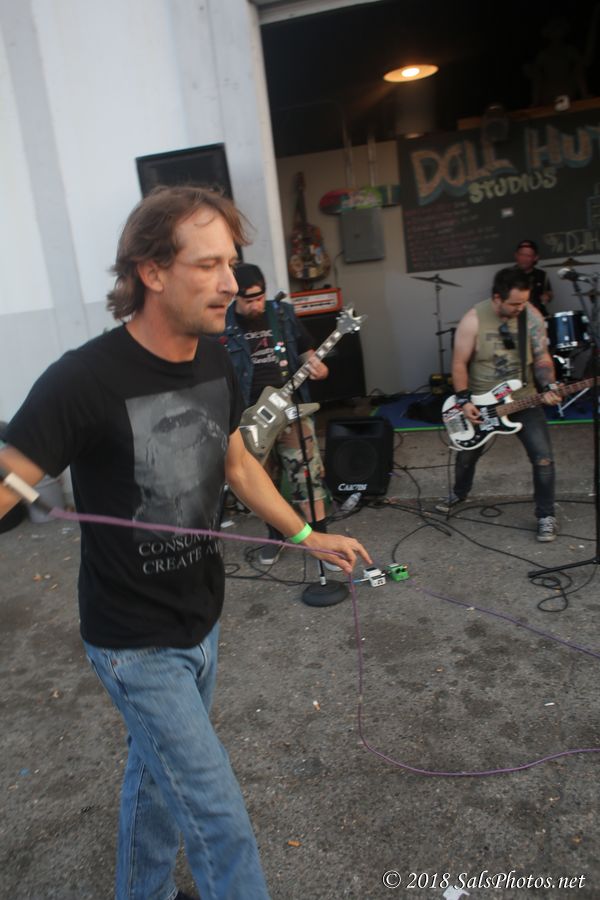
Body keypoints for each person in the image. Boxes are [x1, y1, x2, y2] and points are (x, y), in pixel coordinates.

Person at [0, 185, 370, 900]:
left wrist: (306, 535)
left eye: (230, 262)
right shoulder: (84, 378)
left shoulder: (214, 360)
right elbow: (10, 480)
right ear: (152, 271)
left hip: (202, 620)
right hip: (133, 643)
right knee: (218, 818)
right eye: (208, 265)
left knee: (156, 777)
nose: (231, 282)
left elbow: (237, 463)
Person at [221, 262, 336, 567]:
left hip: (291, 409)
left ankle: (322, 539)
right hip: (249, 417)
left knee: (307, 475)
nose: (257, 304)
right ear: (235, 296)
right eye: (249, 300)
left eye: (260, 297)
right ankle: (275, 535)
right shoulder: (223, 323)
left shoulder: (282, 314)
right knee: (262, 480)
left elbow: (306, 349)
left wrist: (318, 366)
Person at [436, 267, 561, 542]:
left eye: (524, 302)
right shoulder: (473, 320)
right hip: (481, 403)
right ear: (497, 298)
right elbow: (459, 363)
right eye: (514, 303)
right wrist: (464, 400)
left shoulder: (531, 316)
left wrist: (550, 385)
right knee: (466, 456)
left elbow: (542, 357)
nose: (520, 308)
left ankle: (546, 515)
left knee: (543, 458)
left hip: (524, 399)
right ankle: (458, 493)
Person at [513, 239, 553, 317]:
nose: (524, 259)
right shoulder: (507, 275)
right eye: (521, 255)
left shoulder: (542, 274)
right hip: (515, 317)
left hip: (539, 315)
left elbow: (549, 293)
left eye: (528, 256)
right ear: (516, 255)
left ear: (535, 258)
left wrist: (548, 296)